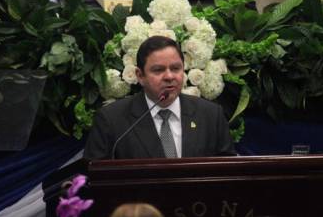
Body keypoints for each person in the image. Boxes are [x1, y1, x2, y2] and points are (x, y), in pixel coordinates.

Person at [84, 35, 236, 159]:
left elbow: (229, 172)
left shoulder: (210, 115)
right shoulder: (111, 119)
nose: (169, 76)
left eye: (176, 68)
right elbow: (94, 177)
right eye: (158, 70)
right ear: (140, 76)